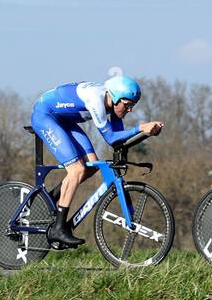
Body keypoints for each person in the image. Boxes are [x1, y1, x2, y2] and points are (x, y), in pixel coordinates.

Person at [30, 75, 163, 248]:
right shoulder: (96, 99)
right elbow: (110, 138)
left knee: (91, 166)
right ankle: (58, 229)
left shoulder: (114, 106)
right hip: (45, 116)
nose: (130, 109)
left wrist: (146, 133)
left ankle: (49, 200)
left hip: (64, 121)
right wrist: (139, 128)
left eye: (133, 106)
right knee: (76, 170)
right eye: (128, 104)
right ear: (115, 97)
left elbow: (119, 141)